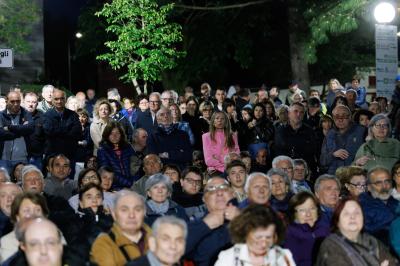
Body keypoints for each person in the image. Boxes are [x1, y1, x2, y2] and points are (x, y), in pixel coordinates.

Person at [316, 198, 398, 265]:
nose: (353, 217)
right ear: (337, 221)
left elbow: (392, 262)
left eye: (357, 212)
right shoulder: (330, 245)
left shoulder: (371, 241)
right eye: (346, 213)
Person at [184, 177, 240, 266]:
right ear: (204, 199)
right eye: (211, 190)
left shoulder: (250, 217)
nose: (219, 193)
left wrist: (241, 221)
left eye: (223, 188)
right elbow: (172, 252)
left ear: (233, 194)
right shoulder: (194, 226)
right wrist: (204, 225)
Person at [215, 204, 295, 266]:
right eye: (258, 237)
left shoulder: (283, 256)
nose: (263, 244)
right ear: (245, 233)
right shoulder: (228, 258)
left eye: (268, 237)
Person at [90, 190, 152, 266]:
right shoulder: (104, 244)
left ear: (144, 213)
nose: (131, 215)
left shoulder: (158, 238)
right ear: (114, 214)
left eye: (137, 209)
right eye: (124, 210)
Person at [0, 192, 49, 262]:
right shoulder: (8, 242)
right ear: (17, 217)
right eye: (27, 211)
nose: (33, 215)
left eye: (37, 210)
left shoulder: (55, 234)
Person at [284, 191, 330, 266]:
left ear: (318, 211)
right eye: (302, 210)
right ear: (294, 214)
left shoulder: (325, 230)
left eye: (312, 209)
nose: (308, 214)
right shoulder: (290, 235)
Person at [274, 102, 318, 178]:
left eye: (301, 112)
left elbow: (312, 152)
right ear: (289, 114)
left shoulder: (309, 131)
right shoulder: (281, 130)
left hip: (304, 171)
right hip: (286, 171)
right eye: (295, 111)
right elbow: (279, 152)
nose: (298, 114)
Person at [320, 105, 366, 175]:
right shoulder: (330, 134)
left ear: (350, 117)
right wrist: (333, 154)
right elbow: (322, 160)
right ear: (333, 118)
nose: (340, 120)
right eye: (337, 117)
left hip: (354, 175)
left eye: (344, 116)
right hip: (334, 176)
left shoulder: (361, 131)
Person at [358, 166, 398, 245]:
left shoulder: (395, 202)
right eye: (378, 183)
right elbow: (365, 232)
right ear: (369, 187)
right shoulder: (361, 205)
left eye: (387, 181)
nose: (384, 186)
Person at [0, 91, 34, 173]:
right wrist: (20, 132)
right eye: (12, 101)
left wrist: (9, 127)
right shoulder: (1, 115)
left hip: (23, 159)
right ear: (6, 101)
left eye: (18, 101)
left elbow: (30, 128)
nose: (15, 104)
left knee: (22, 184)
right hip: (4, 159)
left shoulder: (26, 114)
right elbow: (1, 134)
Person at [97, 121, 135, 189]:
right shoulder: (102, 150)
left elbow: (135, 166)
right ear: (107, 135)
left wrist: (135, 183)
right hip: (114, 187)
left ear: (121, 134)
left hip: (133, 185)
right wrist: (130, 183)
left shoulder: (128, 147)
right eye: (111, 133)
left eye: (117, 133)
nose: (114, 136)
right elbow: (109, 172)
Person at [24, 92, 46, 171]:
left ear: (37, 104)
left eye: (33, 102)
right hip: (19, 157)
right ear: (23, 102)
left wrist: (44, 153)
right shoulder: (17, 116)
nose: (31, 104)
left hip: (37, 157)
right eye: (28, 101)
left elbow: (47, 137)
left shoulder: (43, 117)